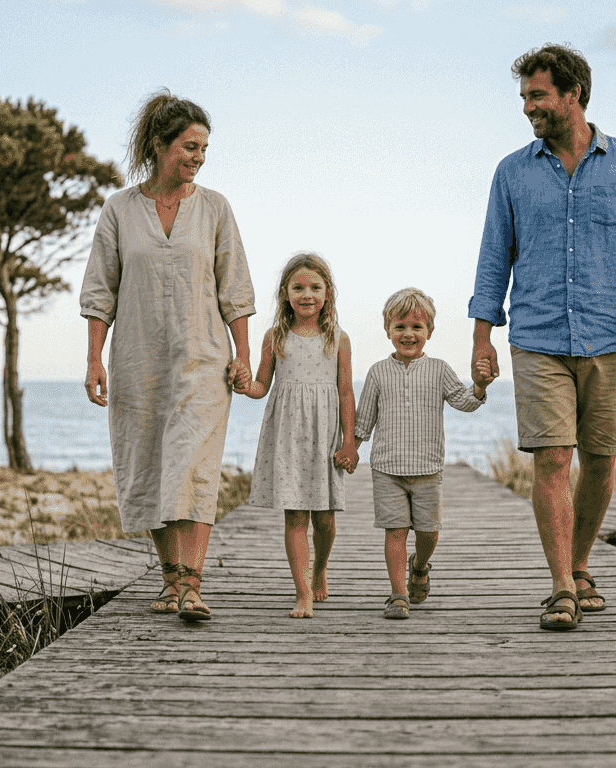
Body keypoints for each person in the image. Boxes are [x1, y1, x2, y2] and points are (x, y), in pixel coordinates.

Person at [469, 44, 616, 631]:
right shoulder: (511, 172)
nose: (527, 107)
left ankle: (581, 564)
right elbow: (493, 258)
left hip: (608, 334)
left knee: (601, 461)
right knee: (553, 459)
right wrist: (483, 337)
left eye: (537, 95)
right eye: (524, 97)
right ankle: (562, 586)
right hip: (536, 336)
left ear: (573, 94)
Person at [80, 89, 255, 623]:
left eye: (204, 148)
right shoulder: (119, 210)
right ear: (159, 145)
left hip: (204, 359)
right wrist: (94, 360)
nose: (198, 157)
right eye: (189, 147)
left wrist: (243, 354)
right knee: (151, 463)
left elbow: (235, 288)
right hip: (138, 361)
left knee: (194, 466)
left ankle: (193, 586)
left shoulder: (215, 208)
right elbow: (100, 291)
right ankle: (170, 579)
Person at [352, 288, 493, 620]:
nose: (408, 334)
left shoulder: (439, 369)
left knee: (428, 532)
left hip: (428, 469)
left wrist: (480, 386)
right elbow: (364, 419)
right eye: (400, 326)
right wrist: (350, 450)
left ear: (429, 330)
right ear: (387, 329)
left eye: (416, 327)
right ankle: (398, 594)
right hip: (387, 469)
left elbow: (464, 401)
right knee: (395, 531)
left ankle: (420, 566)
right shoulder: (377, 372)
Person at [245, 253, 358, 619]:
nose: (306, 294)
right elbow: (261, 385)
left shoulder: (338, 339)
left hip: (325, 434)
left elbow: (345, 392)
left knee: (324, 519)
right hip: (288, 436)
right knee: (295, 516)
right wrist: (244, 384)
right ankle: (303, 592)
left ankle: (320, 567)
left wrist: (350, 441)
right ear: (285, 293)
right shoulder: (275, 337)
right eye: (298, 288)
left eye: (315, 287)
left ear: (327, 293)